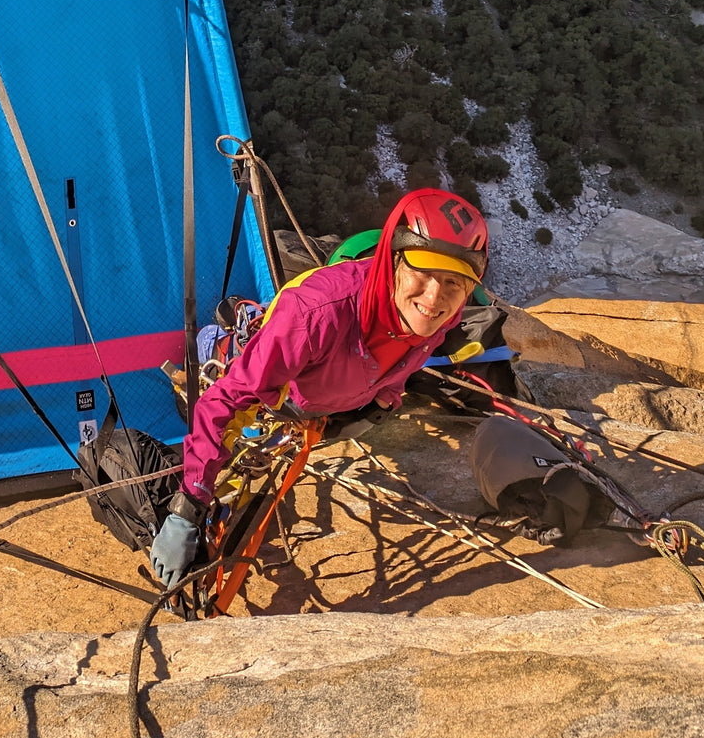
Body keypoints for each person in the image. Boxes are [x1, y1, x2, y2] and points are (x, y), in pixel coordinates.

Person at [149, 187, 490, 588]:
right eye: (423, 273)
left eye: (453, 282)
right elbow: (223, 398)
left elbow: (403, 361)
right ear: (392, 261)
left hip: (325, 391)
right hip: (278, 382)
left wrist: (379, 404)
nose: (434, 298)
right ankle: (225, 332)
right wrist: (187, 506)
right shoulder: (314, 315)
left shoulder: (439, 317)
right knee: (234, 357)